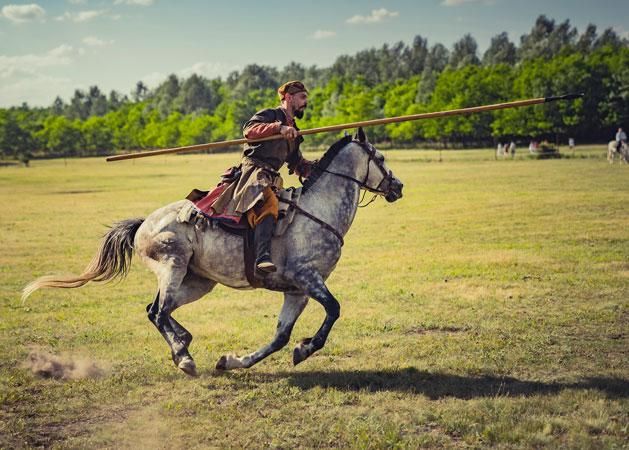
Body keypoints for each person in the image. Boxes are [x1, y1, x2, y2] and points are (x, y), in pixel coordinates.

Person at [211, 81, 315, 273]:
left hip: (272, 177)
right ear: (288, 98)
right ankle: (262, 257)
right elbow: (249, 130)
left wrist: (318, 167)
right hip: (253, 173)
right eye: (302, 97)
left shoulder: (294, 131)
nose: (305, 102)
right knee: (269, 203)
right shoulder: (271, 115)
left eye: (306, 98)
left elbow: (297, 164)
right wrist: (278, 128)